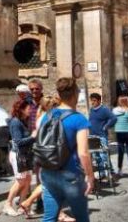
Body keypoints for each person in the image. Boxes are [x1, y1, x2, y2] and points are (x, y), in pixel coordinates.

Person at [38, 78, 95, 222]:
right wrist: (90, 176)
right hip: (70, 175)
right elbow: (83, 152)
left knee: (49, 218)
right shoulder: (79, 119)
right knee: (82, 218)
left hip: (48, 172)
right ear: (75, 93)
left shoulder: (47, 115)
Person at [4, 100, 34, 217]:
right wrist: (33, 137)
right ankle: (7, 204)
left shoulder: (24, 121)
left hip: (25, 154)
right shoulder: (16, 122)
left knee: (27, 180)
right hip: (18, 155)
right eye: (28, 108)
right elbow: (18, 141)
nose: (30, 110)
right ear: (21, 109)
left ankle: (23, 205)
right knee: (20, 180)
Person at [112, 96, 128, 176]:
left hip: (119, 132)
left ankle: (120, 169)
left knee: (120, 152)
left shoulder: (115, 111)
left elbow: (113, 120)